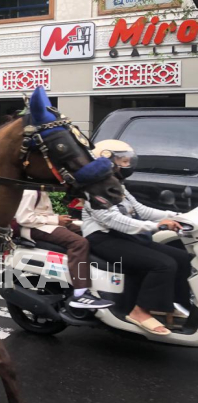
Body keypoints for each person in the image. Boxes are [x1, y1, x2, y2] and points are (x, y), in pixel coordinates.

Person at [82, 139, 192, 335]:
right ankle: (139, 312)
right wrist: (156, 226)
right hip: (104, 239)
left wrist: (177, 216)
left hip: (125, 236)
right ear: (107, 161)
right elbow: (114, 220)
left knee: (183, 259)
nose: (128, 165)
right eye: (123, 161)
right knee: (163, 264)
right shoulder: (93, 189)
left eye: (128, 161)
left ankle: (167, 305)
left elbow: (140, 210)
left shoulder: (117, 185)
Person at [15, 190, 114, 310]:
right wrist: (56, 220)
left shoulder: (41, 189)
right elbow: (23, 218)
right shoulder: (31, 191)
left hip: (45, 224)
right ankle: (80, 293)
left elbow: (43, 213)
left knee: (90, 231)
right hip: (34, 228)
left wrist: (58, 219)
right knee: (79, 243)